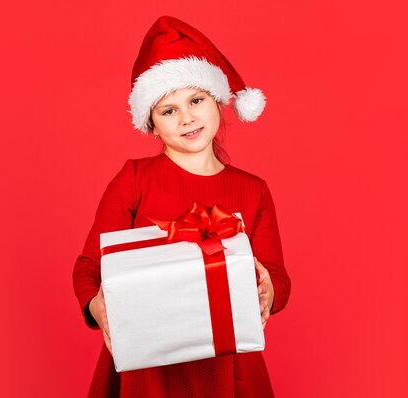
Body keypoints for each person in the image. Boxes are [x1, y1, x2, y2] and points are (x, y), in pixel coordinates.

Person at [73, 16, 291, 398]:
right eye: (168, 110)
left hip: (228, 367)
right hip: (147, 367)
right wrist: (97, 305)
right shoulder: (135, 179)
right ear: (152, 125)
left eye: (195, 100)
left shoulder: (252, 190)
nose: (187, 117)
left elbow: (277, 276)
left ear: (218, 103)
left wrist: (270, 291)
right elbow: (89, 265)